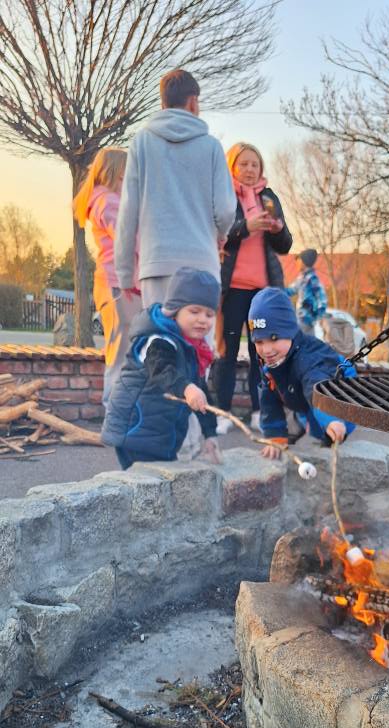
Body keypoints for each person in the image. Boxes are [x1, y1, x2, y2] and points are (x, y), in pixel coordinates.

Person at [114, 68, 236, 307]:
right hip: (202, 263)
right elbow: (225, 210)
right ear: (192, 102)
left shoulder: (142, 142)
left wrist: (125, 273)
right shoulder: (211, 147)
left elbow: (128, 212)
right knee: (198, 340)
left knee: (159, 340)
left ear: (163, 103)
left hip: (156, 264)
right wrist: (221, 234)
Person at [102, 268, 221, 470]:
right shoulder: (159, 340)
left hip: (161, 435)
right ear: (175, 311)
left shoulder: (192, 348)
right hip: (137, 431)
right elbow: (161, 370)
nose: (203, 319)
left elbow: (201, 395)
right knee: (146, 486)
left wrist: (210, 434)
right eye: (194, 311)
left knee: (159, 485)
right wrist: (187, 388)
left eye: (209, 314)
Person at [214, 142, 292, 434]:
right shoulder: (224, 196)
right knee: (227, 353)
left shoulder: (269, 197)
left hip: (264, 292)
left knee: (263, 353)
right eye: (243, 164)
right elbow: (220, 233)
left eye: (254, 165)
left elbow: (285, 245)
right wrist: (246, 226)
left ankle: (262, 412)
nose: (249, 170)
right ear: (232, 167)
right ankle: (223, 414)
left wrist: (278, 230)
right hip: (231, 288)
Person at [247, 287, 357, 457]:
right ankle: (299, 424)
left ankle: (327, 430)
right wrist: (275, 437)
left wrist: (331, 420)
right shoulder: (269, 359)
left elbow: (318, 388)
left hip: (338, 393)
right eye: (259, 341)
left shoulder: (309, 358)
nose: (266, 349)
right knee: (282, 400)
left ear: (290, 331)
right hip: (298, 395)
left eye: (274, 338)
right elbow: (268, 399)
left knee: (328, 435)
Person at [73, 147, 141, 405]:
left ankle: (119, 409)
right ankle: (113, 409)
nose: (129, 183)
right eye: (126, 177)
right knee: (121, 349)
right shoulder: (107, 202)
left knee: (124, 347)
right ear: (113, 174)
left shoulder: (105, 200)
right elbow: (128, 239)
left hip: (118, 282)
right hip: (117, 283)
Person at [286, 249, 327, 337]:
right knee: (305, 344)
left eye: (299, 260)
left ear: (304, 262)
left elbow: (322, 300)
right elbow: (291, 290)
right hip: (301, 318)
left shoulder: (312, 279)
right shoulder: (302, 278)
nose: (296, 263)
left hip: (306, 319)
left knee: (305, 344)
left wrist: (317, 317)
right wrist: (277, 291)